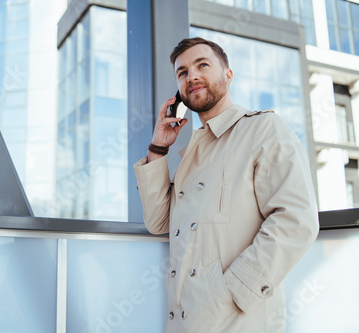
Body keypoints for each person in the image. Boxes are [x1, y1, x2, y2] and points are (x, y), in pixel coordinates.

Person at [133, 37, 319, 332]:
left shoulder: (263, 128)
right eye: (182, 73)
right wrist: (158, 150)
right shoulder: (192, 153)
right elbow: (158, 222)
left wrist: (231, 291)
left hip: (239, 321)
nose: (191, 76)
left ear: (228, 75)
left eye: (202, 65)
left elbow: (297, 219)